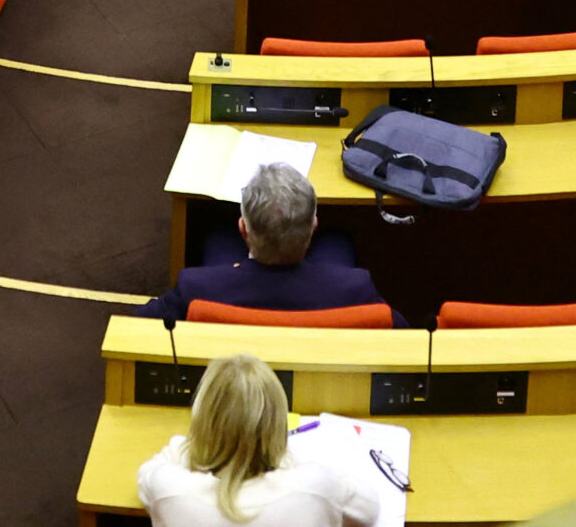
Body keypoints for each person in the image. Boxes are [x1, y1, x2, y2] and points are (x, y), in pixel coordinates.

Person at [137, 352, 382, 527]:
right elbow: (369, 510)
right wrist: (287, 460)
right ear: (278, 425)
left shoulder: (168, 488)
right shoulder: (315, 485)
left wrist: (197, 446)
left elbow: (151, 469)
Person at [135, 163, 396, 324]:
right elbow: (402, 334)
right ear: (313, 228)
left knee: (219, 238)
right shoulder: (355, 289)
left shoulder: (197, 287)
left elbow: (138, 326)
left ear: (243, 230)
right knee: (337, 242)